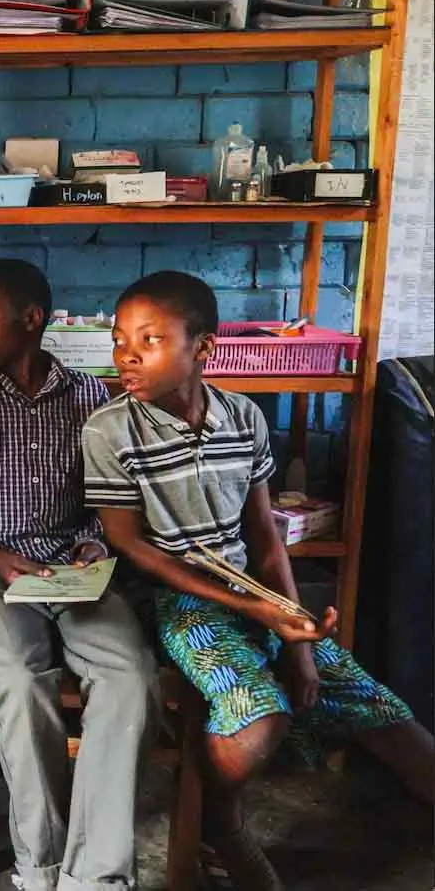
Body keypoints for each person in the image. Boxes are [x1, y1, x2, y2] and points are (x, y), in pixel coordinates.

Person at [82, 270, 435, 891]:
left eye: (149, 339)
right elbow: (130, 546)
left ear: (204, 349)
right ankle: (222, 824)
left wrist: (298, 638)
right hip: (175, 602)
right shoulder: (111, 430)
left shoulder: (243, 418)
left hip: (255, 594)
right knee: (257, 715)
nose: (126, 355)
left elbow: (267, 541)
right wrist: (253, 611)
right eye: (119, 341)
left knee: (395, 726)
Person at [0, 259, 158, 891]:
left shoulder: (91, 399)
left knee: (129, 674)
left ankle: (95, 875)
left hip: (76, 574)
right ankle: (41, 865)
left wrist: (92, 545)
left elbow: (112, 501)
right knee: (19, 677)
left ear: (31, 319)